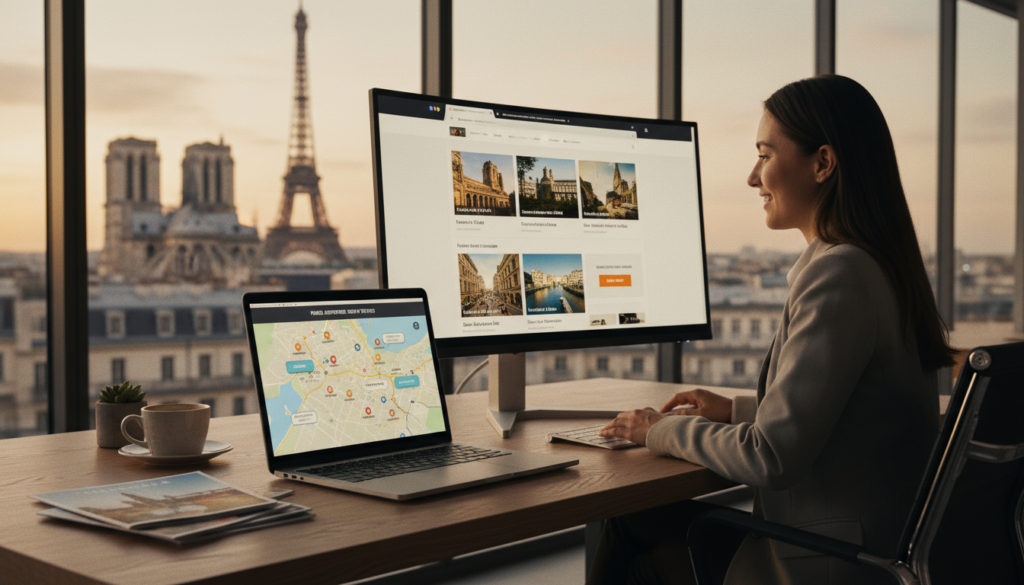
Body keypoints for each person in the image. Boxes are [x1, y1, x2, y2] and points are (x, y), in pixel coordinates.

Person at [588, 75, 956, 585]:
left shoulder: (839, 274)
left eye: (764, 154)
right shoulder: (877, 265)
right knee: (636, 523)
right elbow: (847, 414)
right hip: (875, 544)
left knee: (636, 541)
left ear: (823, 163)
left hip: (833, 560)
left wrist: (656, 430)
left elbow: (772, 457)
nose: (752, 177)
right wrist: (737, 410)